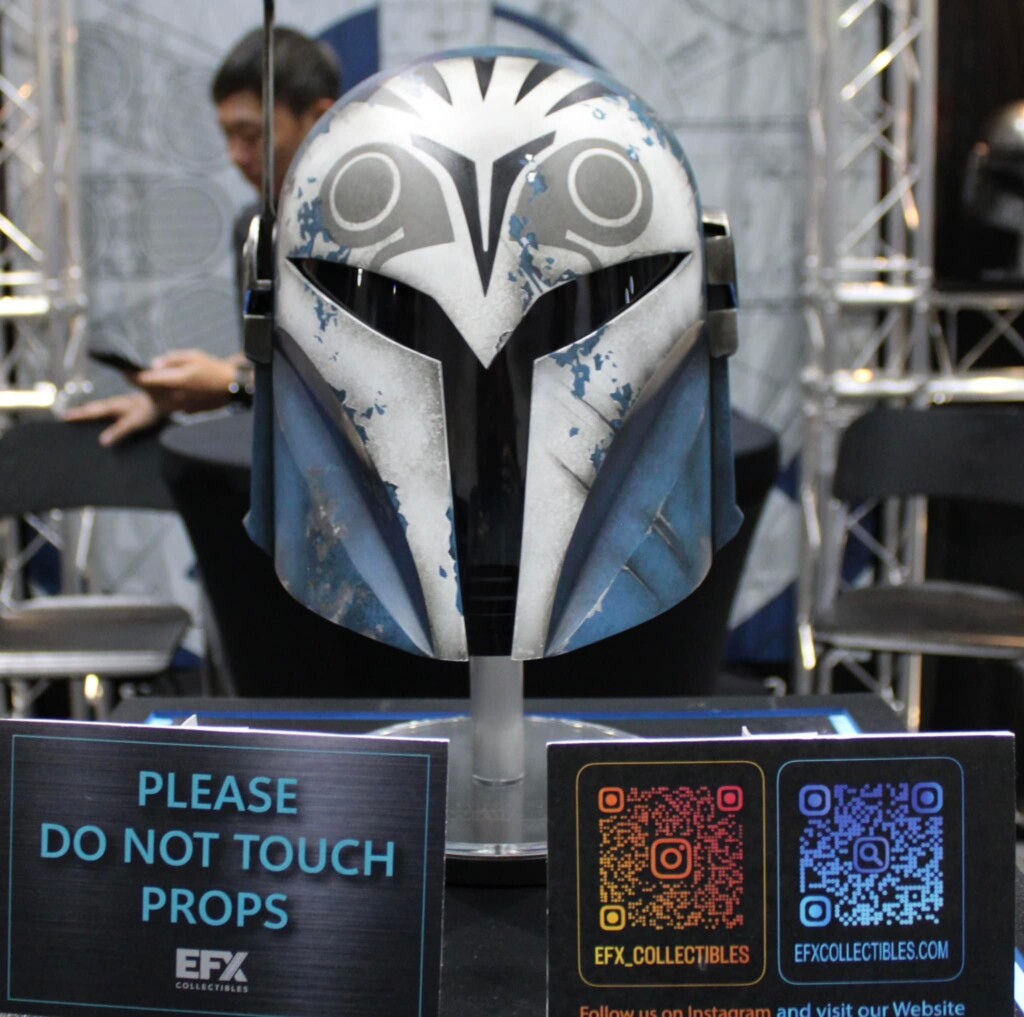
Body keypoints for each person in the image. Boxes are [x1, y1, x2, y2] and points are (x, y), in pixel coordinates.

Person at [65, 27, 340, 445]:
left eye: (251, 135)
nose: (236, 156)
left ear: (320, 120)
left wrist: (232, 384)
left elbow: (353, 388)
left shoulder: (373, 234)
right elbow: (274, 359)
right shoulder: (254, 228)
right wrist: (174, 395)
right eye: (227, 135)